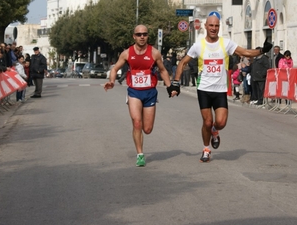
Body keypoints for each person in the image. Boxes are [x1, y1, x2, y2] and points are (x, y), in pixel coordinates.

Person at [173, 12, 273, 163]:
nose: (213, 28)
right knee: (207, 122)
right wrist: (176, 82)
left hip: (220, 90)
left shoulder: (226, 43)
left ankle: (214, 131)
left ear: (219, 27)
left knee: (220, 123)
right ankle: (206, 149)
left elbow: (245, 52)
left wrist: (262, 50)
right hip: (204, 89)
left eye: (216, 26)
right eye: (211, 25)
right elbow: (182, 62)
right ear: (206, 26)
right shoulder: (198, 45)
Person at [104, 25, 178, 167]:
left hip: (150, 92)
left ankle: (141, 137)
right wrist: (112, 82)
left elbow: (162, 70)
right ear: (134, 36)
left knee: (148, 129)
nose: (142, 37)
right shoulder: (126, 53)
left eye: (144, 34)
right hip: (134, 92)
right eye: (139, 34)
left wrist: (170, 87)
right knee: (137, 122)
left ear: (147, 36)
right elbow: (115, 69)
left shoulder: (154, 53)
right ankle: (140, 154)